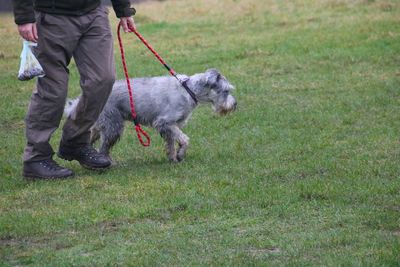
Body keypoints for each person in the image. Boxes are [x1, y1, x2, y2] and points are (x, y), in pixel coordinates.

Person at [12, 0, 136, 180]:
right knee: (53, 90)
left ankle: (75, 142)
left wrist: (123, 8)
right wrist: (24, 17)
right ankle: (36, 159)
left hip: (93, 14)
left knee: (102, 80)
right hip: (51, 16)